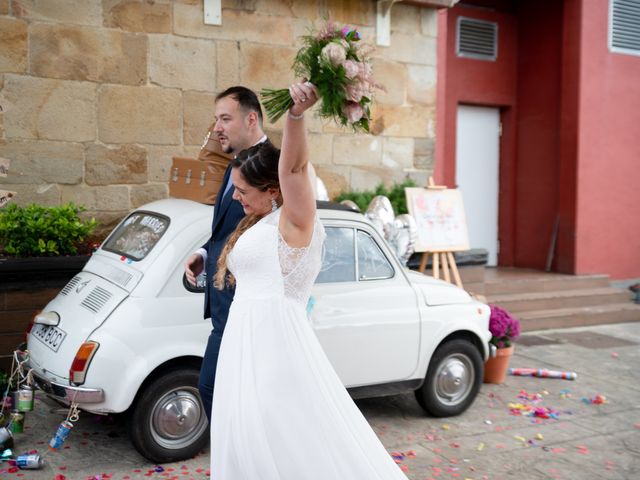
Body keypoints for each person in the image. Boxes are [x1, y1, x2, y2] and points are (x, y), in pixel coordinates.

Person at [209, 81, 409, 479]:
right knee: (248, 436)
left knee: (287, 438)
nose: (235, 197)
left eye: (243, 190)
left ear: (273, 191)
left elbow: (295, 167)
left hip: (275, 348)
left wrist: (296, 115)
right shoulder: (260, 222)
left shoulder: (295, 221)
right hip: (242, 344)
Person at [184, 86, 270, 421]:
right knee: (226, 394)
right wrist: (204, 255)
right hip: (224, 306)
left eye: (225, 118)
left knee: (214, 390)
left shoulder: (272, 166)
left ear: (251, 119)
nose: (216, 127)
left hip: (245, 309)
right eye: (216, 119)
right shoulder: (232, 165)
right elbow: (225, 232)